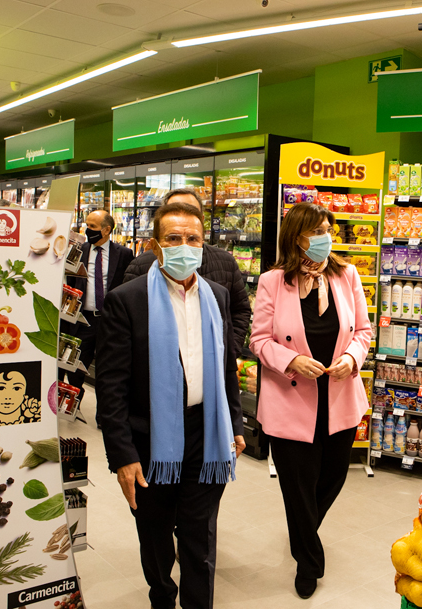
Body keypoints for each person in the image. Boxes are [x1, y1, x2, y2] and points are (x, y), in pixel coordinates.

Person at [97, 202, 246, 609]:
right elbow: (111, 387)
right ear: (155, 246)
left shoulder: (216, 296)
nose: (184, 246)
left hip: (205, 434)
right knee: (156, 534)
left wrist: (234, 423)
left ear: (203, 245)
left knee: (199, 538)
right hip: (150, 439)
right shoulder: (127, 300)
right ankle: (161, 596)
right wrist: (122, 455)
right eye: (173, 238)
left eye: (192, 239)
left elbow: (225, 369)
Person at [249, 202, 372, 599]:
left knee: (333, 477)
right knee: (297, 486)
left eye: (328, 230)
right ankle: (308, 560)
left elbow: (363, 331)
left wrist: (351, 358)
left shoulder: (346, 275)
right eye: (317, 232)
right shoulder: (273, 281)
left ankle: (303, 532)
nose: (325, 238)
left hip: (339, 398)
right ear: (296, 237)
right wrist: (291, 360)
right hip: (290, 401)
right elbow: (259, 340)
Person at [124, 189, 252, 356]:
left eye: (191, 212)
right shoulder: (140, 266)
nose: (183, 217)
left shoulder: (225, 262)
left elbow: (239, 310)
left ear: (202, 220)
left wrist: (228, 352)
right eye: (175, 211)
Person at [65, 210, 133, 390]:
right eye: (87, 225)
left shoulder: (124, 254)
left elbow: (127, 285)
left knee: (108, 370)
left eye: (92, 226)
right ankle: (74, 399)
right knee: (76, 369)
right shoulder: (79, 250)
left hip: (109, 321)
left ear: (106, 230)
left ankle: (103, 406)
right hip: (83, 321)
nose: (87, 230)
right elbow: (70, 282)